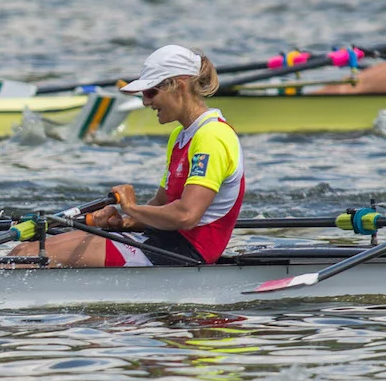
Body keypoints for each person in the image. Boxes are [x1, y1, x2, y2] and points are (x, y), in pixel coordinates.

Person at [24, 45, 245, 268]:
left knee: (32, 255)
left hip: (183, 253)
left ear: (178, 86)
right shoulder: (181, 136)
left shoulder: (212, 136)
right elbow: (161, 203)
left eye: (151, 92)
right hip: (160, 242)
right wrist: (124, 222)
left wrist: (130, 207)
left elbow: (186, 216)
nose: (145, 102)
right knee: (26, 250)